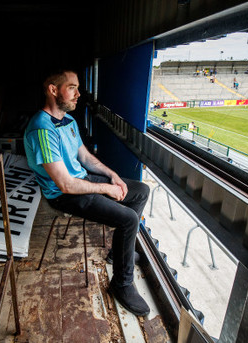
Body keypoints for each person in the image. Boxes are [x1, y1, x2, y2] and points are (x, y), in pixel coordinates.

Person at [24, 69, 151, 317]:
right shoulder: (41, 129)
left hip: (81, 180)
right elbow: (65, 185)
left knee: (140, 191)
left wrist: (112, 175)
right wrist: (105, 188)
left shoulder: (68, 121)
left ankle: (118, 253)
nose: (79, 94)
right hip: (63, 195)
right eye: (72, 87)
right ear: (53, 90)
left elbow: (85, 157)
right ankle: (122, 284)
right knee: (129, 219)